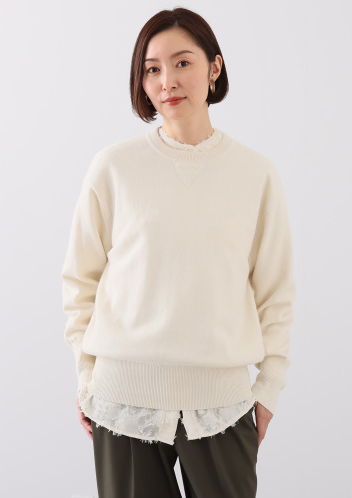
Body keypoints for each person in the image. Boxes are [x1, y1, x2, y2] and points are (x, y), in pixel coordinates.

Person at [61, 7, 296, 498]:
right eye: (152, 68)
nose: (167, 80)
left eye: (183, 62)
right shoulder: (114, 168)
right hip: (122, 400)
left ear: (215, 68)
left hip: (223, 403)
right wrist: (86, 376)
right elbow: (80, 280)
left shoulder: (255, 174)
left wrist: (269, 386)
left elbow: (275, 290)